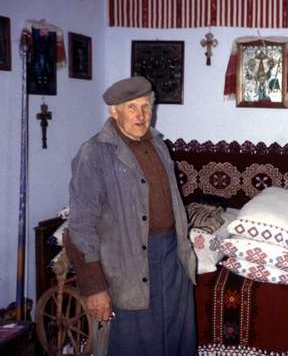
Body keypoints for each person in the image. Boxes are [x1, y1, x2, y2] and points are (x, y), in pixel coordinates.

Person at [64, 76, 197, 356]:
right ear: (114, 111)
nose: (142, 115)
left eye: (147, 107)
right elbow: (80, 226)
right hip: (127, 265)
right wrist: (94, 287)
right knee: (134, 344)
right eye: (132, 108)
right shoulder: (96, 154)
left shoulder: (159, 144)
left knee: (175, 339)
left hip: (172, 259)